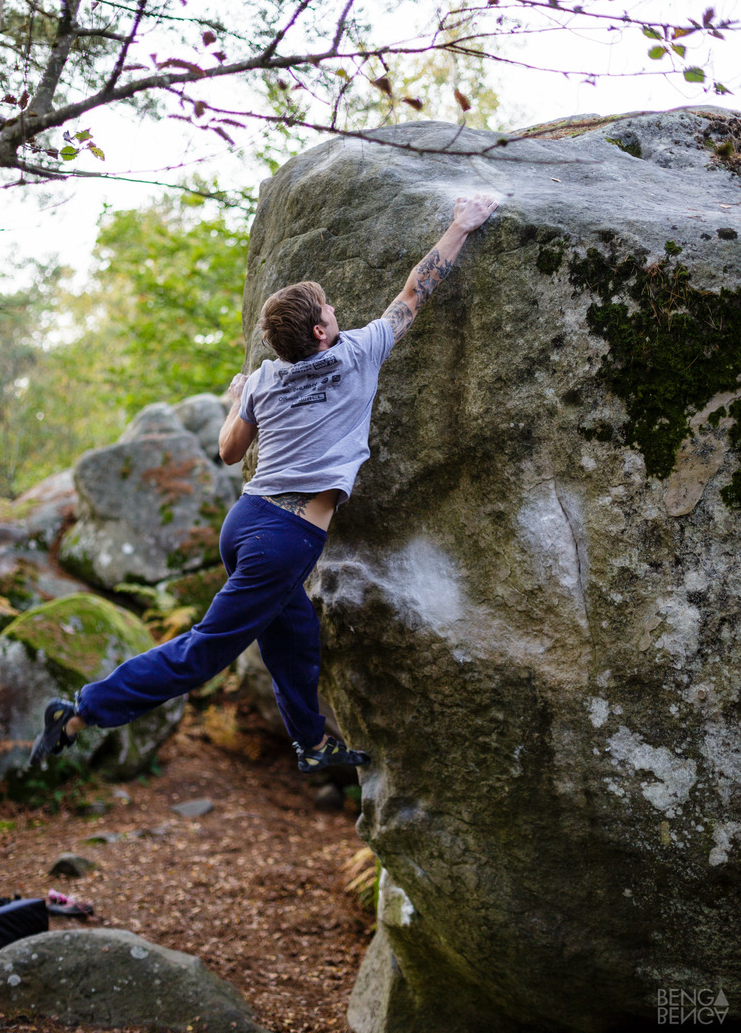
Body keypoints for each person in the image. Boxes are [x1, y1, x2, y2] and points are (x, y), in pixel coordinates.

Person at [30, 191, 500, 774]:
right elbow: (414, 293)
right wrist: (461, 225)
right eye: (328, 309)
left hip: (247, 523)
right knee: (205, 651)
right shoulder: (359, 353)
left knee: (295, 637)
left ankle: (313, 744)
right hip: (284, 538)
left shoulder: (263, 380)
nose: (336, 310)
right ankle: (82, 710)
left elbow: (229, 452)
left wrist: (237, 401)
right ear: (322, 332)